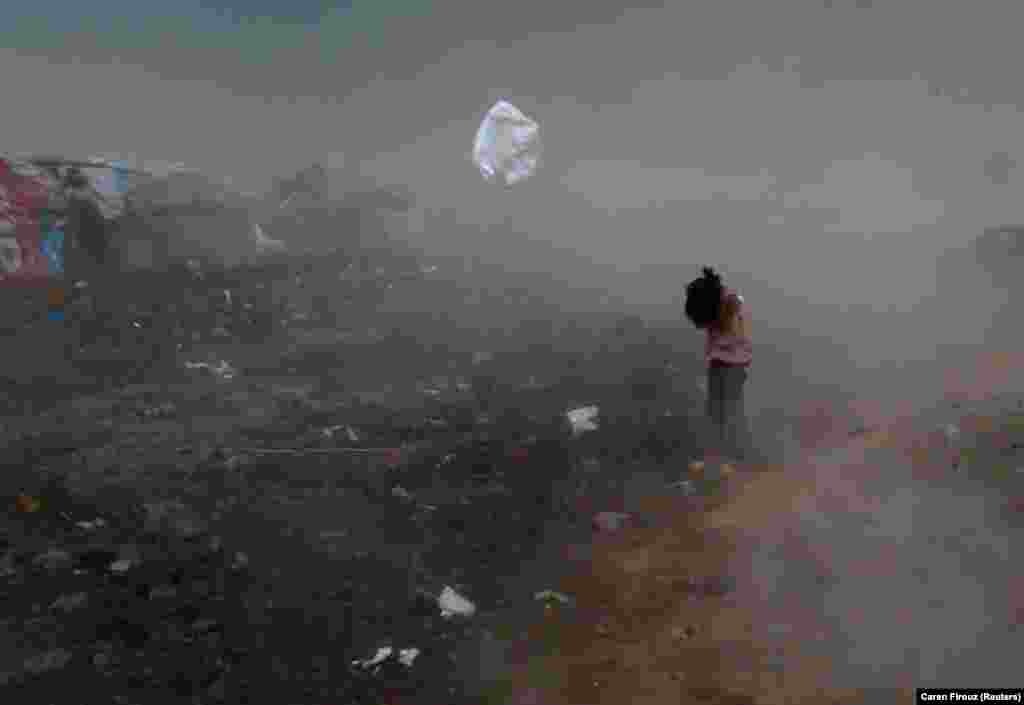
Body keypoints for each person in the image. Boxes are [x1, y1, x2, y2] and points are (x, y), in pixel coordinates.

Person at [684, 267, 753, 460]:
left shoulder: (730, 305)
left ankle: (726, 455)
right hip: (726, 360)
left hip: (730, 362)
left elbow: (730, 331)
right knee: (720, 409)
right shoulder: (725, 301)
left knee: (724, 410)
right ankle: (721, 453)